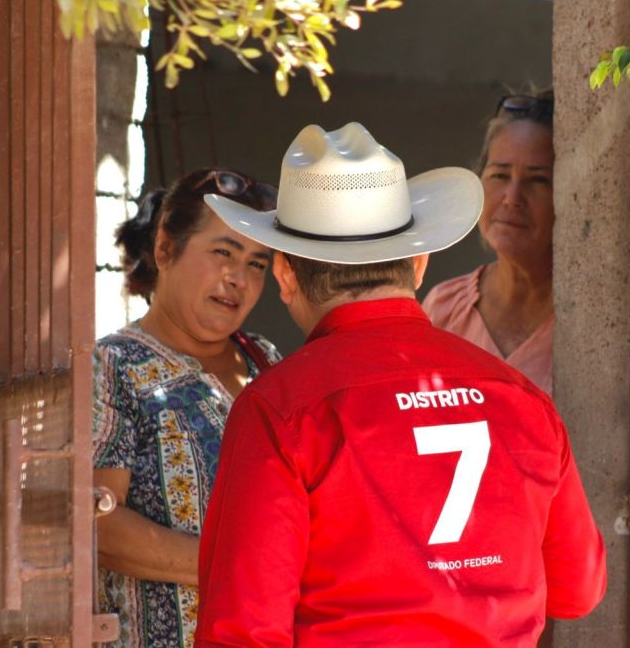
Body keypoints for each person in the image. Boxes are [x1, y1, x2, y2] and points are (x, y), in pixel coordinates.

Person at [195, 123, 606, 646]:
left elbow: (243, 630)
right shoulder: (523, 400)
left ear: (285, 275)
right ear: (418, 264)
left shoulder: (281, 409)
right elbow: (577, 590)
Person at [92, 168, 281, 647]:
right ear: (164, 249)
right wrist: (242, 569)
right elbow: (99, 525)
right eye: (223, 253)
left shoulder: (266, 362)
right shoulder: (114, 365)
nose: (238, 279)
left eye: (257, 264)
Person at [423, 92, 555, 395]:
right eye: (500, 175)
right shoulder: (444, 308)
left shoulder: (589, 316)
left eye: (538, 180)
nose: (512, 198)